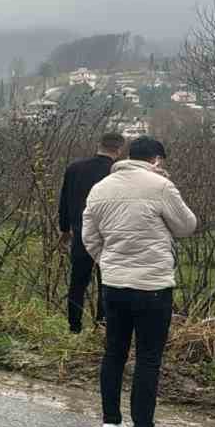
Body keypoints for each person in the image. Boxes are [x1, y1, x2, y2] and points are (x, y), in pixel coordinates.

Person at [83, 136, 197, 427]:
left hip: (114, 283)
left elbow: (89, 237)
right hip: (152, 285)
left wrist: (109, 262)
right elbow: (187, 225)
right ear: (156, 160)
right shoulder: (159, 186)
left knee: (114, 351)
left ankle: (111, 423)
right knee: (148, 356)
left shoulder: (100, 188)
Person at [60, 133, 126, 333]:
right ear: (120, 149)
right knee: (106, 281)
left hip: (80, 233)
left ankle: (74, 326)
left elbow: (64, 202)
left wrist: (64, 230)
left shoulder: (75, 168)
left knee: (77, 282)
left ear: (99, 145)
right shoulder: (117, 174)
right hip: (109, 235)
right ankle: (101, 324)